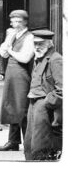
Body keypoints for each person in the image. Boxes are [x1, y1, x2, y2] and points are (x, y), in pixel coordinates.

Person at [0, 9, 35, 152]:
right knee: (12, 107)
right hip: (11, 74)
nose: (16, 24)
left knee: (22, 108)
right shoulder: (12, 35)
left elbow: (25, 58)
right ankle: (13, 141)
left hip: (21, 75)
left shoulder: (29, 37)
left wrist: (11, 49)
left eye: (19, 21)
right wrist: (8, 40)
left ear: (25, 22)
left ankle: (28, 143)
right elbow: (3, 53)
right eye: (14, 21)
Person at [23, 29, 62, 161]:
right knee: (29, 142)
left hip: (45, 104)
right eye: (35, 44)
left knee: (40, 144)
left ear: (49, 43)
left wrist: (46, 103)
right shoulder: (39, 57)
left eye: (40, 43)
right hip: (33, 101)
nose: (37, 47)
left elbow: (62, 89)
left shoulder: (55, 59)